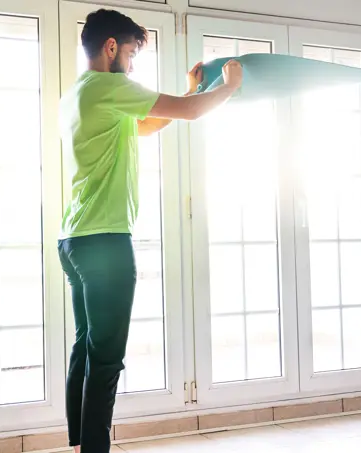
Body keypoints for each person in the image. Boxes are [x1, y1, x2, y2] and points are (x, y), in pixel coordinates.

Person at [57, 8, 243, 453]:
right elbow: (191, 114)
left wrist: (193, 88)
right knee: (106, 361)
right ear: (111, 47)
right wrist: (229, 87)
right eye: (133, 53)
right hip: (105, 243)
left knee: (86, 349)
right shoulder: (110, 86)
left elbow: (146, 124)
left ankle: (78, 443)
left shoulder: (79, 94)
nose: (134, 64)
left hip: (74, 240)